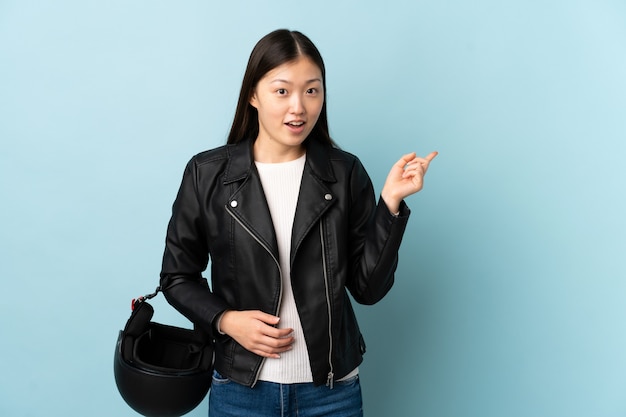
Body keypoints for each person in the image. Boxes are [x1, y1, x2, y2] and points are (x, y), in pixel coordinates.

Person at [160, 29, 437, 417]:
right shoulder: (207, 175)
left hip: (331, 394)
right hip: (241, 389)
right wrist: (226, 320)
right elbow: (176, 278)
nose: (299, 108)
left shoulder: (344, 173)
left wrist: (389, 206)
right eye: (282, 91)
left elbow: (368, 289)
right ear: (253, 96)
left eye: (312, 91)